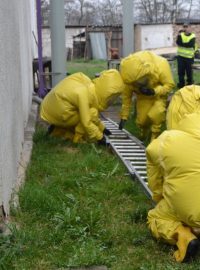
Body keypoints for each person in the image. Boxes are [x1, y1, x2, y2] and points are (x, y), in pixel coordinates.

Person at [146, 112, 200, 263]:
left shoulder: (167, 139)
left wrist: (158, 195)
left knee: (156, 217)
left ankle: (183, 235)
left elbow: (151, 153)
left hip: (190, 210)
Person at [40, 69, 125, 144]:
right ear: (105, 93)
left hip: (53, 107)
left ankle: (57, 128)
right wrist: (100, 138)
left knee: (91, 112)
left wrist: (102, 128)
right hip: (58, 112)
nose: (111, 101)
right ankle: (76, 138)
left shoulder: (87, 85)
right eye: (111, 97)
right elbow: (86, 122)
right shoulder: (83, 94)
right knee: (91, 113)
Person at [118, 50, 175, 142]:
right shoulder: (129, 77)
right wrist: (124, 116)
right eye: (136, 83)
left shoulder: (161, 64)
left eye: (141, 80)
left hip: (158, 96)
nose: (139, 84)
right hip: (143, 97)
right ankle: (143, 133)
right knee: (142, 121)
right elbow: (126, 97)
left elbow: (169, 85)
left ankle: (154, 136)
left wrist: (154, 91)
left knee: (156, 113)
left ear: (146, 71)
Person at [176, 23, 196, 88]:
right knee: (180, 72)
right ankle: (181, 85)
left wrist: (182, 43)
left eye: (186, 27)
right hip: (180, 57)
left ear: (190, 27)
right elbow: (178, 42)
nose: (185, 28)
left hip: (189, 58)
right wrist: (179, 34)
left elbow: (190, 44)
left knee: (189, 72)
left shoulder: (193, 36)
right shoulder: (180, 35)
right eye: (184, 27)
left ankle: (189, 84)